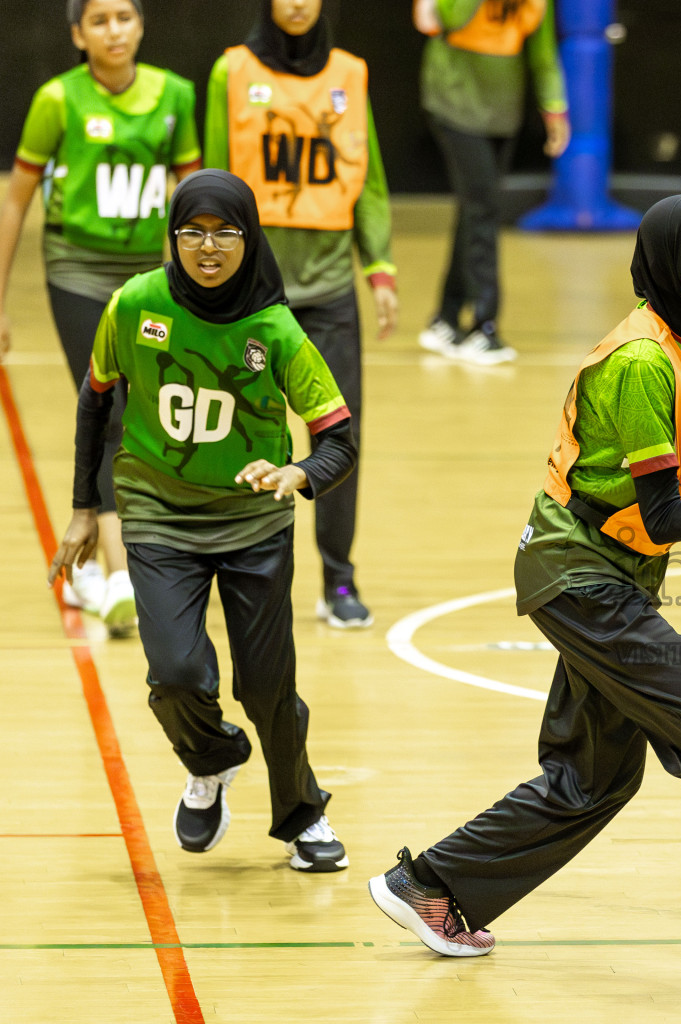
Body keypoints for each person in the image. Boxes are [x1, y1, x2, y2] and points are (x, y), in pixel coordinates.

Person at [369, 195, 681, 1008]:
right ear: (671, 268)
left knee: (592, 780)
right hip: (576, 573)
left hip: (618, 576)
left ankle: (429, 884)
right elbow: (667, 514)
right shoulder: (641, 362)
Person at [47, 170, 358, 873]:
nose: (208, 247)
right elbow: (95, 403)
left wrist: (300, 473)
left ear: (250, 238)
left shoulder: (275, 330)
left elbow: (339, 433)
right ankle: (212, 760)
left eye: (226, 233)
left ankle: (302, 816)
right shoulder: (135, 305)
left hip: (254, 524)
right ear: (173, 236)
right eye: (194, 232)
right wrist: (82, 510)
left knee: (266, 685)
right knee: (178, 671)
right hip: (159, 516)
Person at [0, 0, 201, 636]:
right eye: (99, 20)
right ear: (77, 35)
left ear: (142, 25)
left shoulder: (174, 95)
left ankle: (134, 562)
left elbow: (192, 200)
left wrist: (194, 291)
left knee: (158, 421)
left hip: (149, 280)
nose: (113, 30)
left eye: (124, 17)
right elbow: (16, 199)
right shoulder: (58, 100)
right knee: (109, 413)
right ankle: (120, 578)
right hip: (77, 275)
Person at [205, 0, 396, 628]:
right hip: (251, 298)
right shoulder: (230, 71)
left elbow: (366, 180)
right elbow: (205, 185)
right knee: (234, 434)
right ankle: (223, 567)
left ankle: (339, 581)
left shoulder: (351, 73)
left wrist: (381, 268)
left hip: (331, 290)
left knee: (339, 436)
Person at [412, 0, 570, 364]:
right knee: (483, 207)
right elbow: (449, 16)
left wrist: (555, 109)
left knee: (474, 208)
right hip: (453, 103)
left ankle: (446, 319)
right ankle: (484, 327)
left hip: (502, 112)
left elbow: (543, 55)